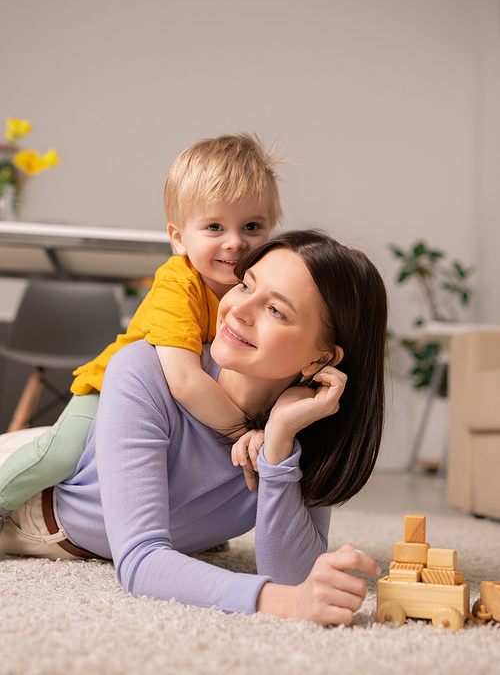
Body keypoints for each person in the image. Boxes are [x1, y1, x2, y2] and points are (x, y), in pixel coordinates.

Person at [0, 231, 387, 626]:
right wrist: (277, 603)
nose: (237, 308)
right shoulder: (144, 372)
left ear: (322, 357)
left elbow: (294, 577)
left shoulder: (307, 424)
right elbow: (140, 562)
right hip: (31, 498)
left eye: (276, 310)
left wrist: (279, 442)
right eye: (244, 285)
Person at [0, 134, 284, 520]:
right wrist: (244, 431)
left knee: (195, 467)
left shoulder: (260, 287)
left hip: (178, 407)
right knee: (61, 455)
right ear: (179, 239)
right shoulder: (177, 283)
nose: (235, 243)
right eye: (214, 227)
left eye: (252, 226)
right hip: (112, 390)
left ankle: (198, 527)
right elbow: (184, 380)